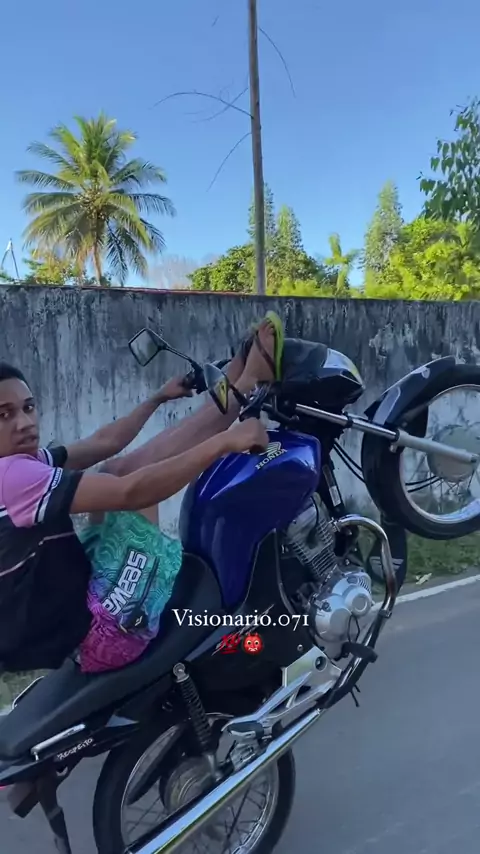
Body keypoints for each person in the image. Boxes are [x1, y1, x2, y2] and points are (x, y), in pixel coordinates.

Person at [0, 316, 283, 675]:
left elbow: (105, 442)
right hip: (110, 631)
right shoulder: (12, 475)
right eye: (4, 415)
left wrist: (157, 398)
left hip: (75, 617)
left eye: (28, 407)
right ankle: (241, 389)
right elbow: (132, 493)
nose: (24, 423)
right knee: (131, 482)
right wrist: (226, 443)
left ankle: (237, 389)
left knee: (113, 469)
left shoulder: (23, 462)